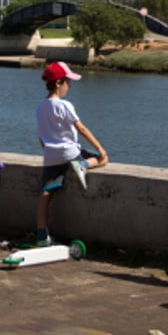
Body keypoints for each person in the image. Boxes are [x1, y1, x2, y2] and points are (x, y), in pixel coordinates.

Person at [35, 61, 108, 247]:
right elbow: (81, 128)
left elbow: (42, 136)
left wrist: (48, 151)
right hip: (70, 153)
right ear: (58, 83)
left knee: (46, 193)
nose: (70, 86)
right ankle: (82, 166)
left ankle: (42, 234)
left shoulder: (40, 107)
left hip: (51, 155)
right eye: (68, 82)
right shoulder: (64, 105)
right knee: (103, 160)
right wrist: (100, 148)